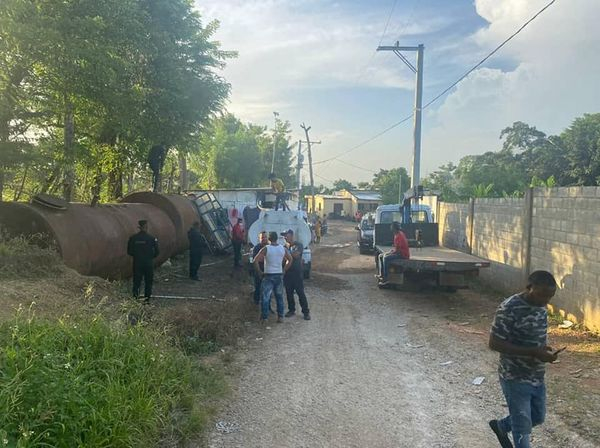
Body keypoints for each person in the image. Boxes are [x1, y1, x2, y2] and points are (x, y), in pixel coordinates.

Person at [488, 270, 560, 448]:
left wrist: (544, 353)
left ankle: (502, 426)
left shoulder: (541, 306)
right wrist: (533, 352)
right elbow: (494, 343)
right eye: (542, 295)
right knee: (522, 426)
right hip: (514, 376)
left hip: (536, 375)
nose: (546, 300)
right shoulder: (509, 307)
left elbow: (534, 338)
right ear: (529, 288)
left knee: (537, 416)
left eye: (550, 296)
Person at [253, 231, 292, 323]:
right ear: (277, 238)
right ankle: (280, 317)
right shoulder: (283, 249)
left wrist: (259, 272)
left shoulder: (266, 249)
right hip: (279, 275)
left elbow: (255, 260)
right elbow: (290, 260)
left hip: (268, 275)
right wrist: (284, 270)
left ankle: (265, 317)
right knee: (279, 297)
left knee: (265, 297)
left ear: (269, 239)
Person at [127, 220, 159, 302]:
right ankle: (147, 299)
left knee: (137, 281)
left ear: (139, 227)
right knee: (148, 282)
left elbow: (129, 251)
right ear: (146, 227)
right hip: (148, 263)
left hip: (137, 263)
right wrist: (150, 257)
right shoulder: (151, 238)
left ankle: (135, 298)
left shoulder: (133, 238)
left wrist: (137, 256)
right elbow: (157, 252)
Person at [282, 229, 311, 320]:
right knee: (289, 293)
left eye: (286, 235)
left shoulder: (298, 245)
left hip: (297, 273)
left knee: (300, 293)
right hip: (287, 273)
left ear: (291, 235)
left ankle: (306, 312)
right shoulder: (284, 246)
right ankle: (291, 310)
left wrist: (286, 253)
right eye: (284, 236)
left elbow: (296, 255)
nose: (285, 237)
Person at [251, 231, 269, 305]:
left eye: (265, 237)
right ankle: (256, 302)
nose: (264, 239)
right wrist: (259, 272)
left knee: (268, 289)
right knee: (257, 287)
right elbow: (256, 260)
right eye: (262, 237)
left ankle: (268, 305)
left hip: (268, 271)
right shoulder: (256, 248)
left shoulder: (270, 246)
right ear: (259, 239)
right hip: (259, 270)